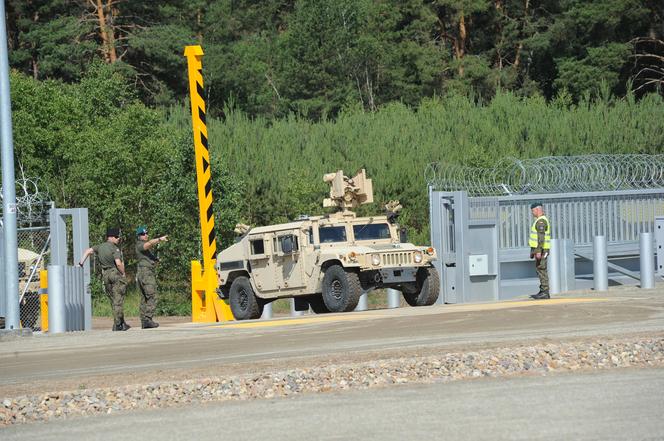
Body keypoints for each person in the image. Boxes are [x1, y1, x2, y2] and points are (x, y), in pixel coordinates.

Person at [79, 227, 130, 331]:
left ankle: (122, 322)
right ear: (110, 237)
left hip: (105, 276)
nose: (118, 239)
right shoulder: (114, 248)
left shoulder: (100, 247)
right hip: (115, 274)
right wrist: (123, 273)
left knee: (113, 300)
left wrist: (81, 263)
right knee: (118, 300)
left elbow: (88, 251)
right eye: (116, 237)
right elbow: (118, 263)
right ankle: (117, 324)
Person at [135, 225, 168, 329]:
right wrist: (159, 239)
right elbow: (148, 244)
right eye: (143, 234)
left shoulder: (146, 250)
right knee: (151, 296)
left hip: (146, 272)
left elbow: (152, 258)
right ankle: (147, 319)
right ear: (139, 236)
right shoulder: (140, 245)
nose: (146, 235)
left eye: (146, 233)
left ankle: (145, 321)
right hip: (145, 273)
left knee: (145, 297)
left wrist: (156, 261)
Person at [529, 202, 551, 299]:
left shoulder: (541, 221)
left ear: (537, 210)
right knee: (540, 269)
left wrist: (538, 251)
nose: (532, 213)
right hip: (540, 250)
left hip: (541, 250)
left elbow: (541, 238)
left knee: (542, 270)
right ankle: (543, 290)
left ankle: (545, 292)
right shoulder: (539, 220)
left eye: (533, 211)